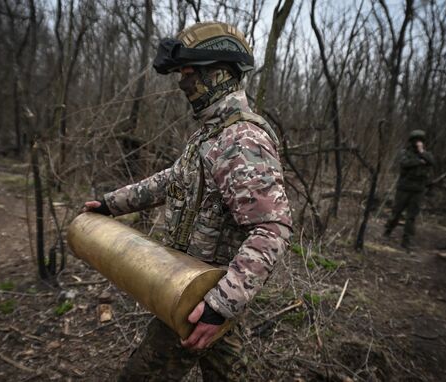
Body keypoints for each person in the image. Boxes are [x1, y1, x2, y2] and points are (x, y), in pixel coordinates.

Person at [83, 22, 292, 381]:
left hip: (201, 299)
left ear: (220, 75)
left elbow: (271, 229)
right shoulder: (211, 136)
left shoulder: (241, 139)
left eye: (189, 73)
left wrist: (219, 307)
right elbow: (170, 181)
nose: (182, 83)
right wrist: (109, 204)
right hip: (192, 288)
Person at [384, 129, 435, 250]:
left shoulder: (426, 154)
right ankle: (388, 230)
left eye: (420, 140)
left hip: (418, 190)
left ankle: (406, 240)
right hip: (404, 188)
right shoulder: (405, 153)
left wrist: (422, 153)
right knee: (396, 212)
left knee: (411, 216)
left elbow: (432, 162)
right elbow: (404, 163)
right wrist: (419, 161)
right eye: (416, 140)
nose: (418, 143)